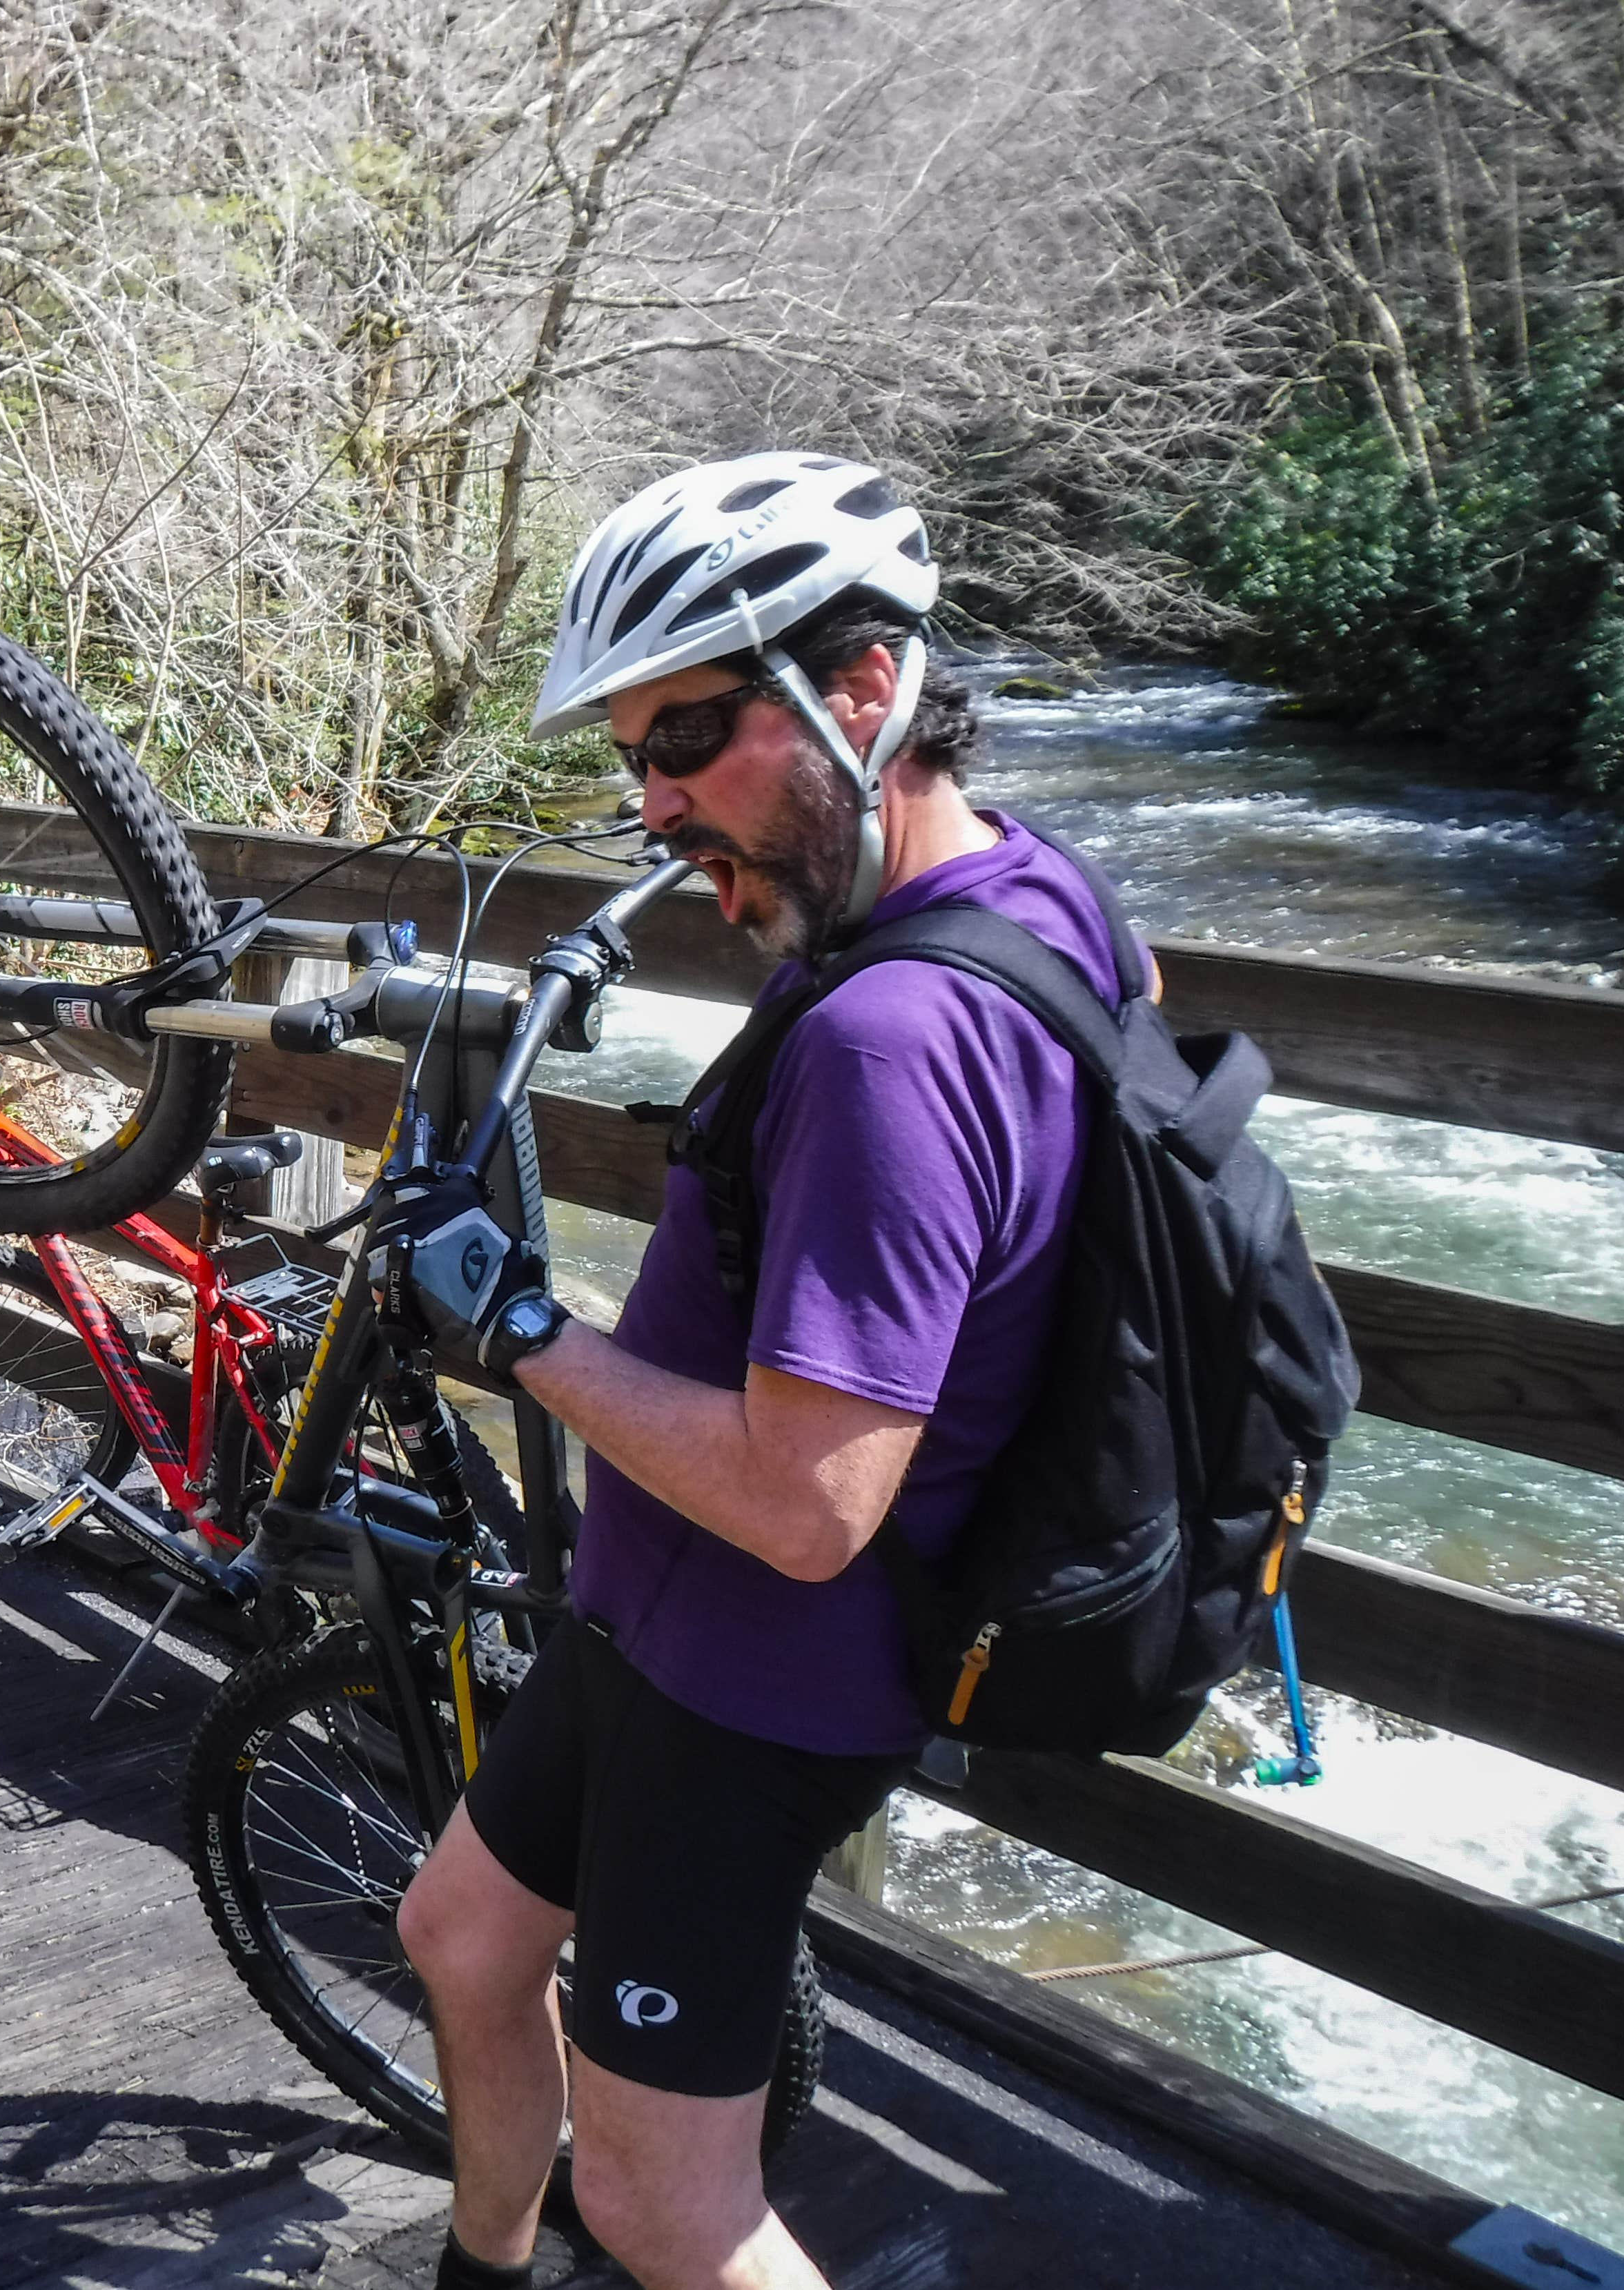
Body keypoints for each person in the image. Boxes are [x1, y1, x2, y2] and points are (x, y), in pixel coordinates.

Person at [378, 452, 1137, 2290]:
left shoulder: (892, 1035)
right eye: (630, 759)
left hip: (758, 1677)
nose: (649, 807)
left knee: (662, 2205)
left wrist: (518, 1334)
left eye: (688, 739)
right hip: (657, 1618)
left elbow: (806, 1509)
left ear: (860, 687)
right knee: (464, 1933)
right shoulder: (1033, 899)